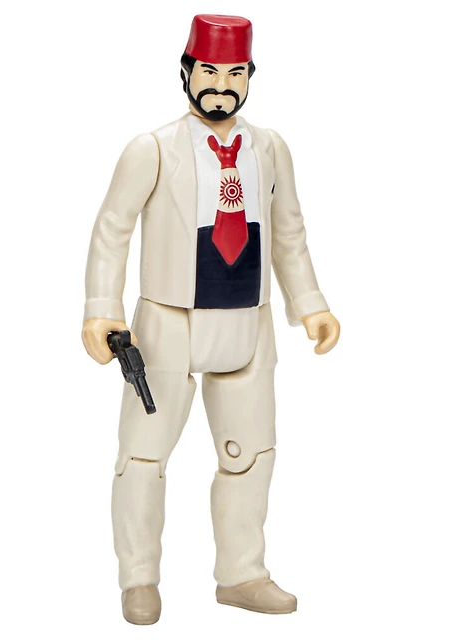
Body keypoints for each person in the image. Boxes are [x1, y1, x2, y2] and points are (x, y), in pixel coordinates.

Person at [82, 14, 340, 625]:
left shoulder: (269, 149)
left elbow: (288, 232)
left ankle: (242, 573)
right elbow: (112, 229)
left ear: (249, 76)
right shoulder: (151, 149)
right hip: (167, 324)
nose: (221, 85)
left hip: (247, 320)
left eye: (233, 73)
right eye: (210, 71)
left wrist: (310, 303)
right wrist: (102, 309)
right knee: (144, 455)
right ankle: (139, 578)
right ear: (187, 71)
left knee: (250, 454)